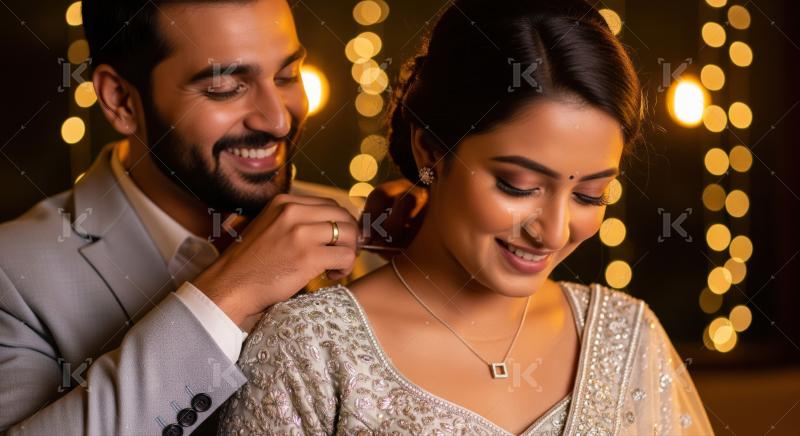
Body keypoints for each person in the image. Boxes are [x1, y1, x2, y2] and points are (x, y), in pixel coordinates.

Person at [219, 0, 715, 434]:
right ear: (431, 150)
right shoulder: (309, 348)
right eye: (518, 186)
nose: (553, 231)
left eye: (590, 194)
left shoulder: (627, 336)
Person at [0, 0, 422, 434]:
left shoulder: (360, 226)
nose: (278, 120)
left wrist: (433, 260)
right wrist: (232, 292)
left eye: (287, 76)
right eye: (225, 88)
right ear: (120, 100)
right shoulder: (12, 275)